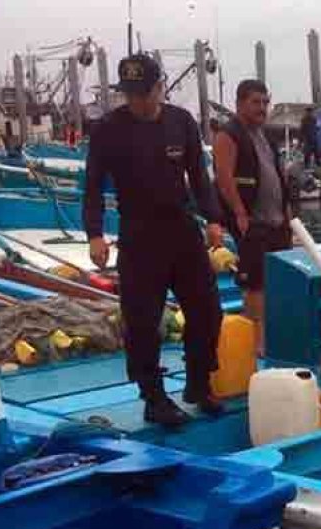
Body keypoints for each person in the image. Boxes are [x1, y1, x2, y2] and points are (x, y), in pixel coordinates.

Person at [83, 53, 224, 427]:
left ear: (160, 87)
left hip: (182, 230)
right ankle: (153, 396)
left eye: (145, 92)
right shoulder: (109, 129)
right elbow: (94, 185)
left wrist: (213, 218)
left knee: (208, 311)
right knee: (144, 322)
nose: (139, 102)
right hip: (138, 236)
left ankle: (199, 381)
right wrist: (95, 234)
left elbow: (199, 175)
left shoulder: (181, 122)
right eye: (131, 94)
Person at [213, 79, 291, 352]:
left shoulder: (266, 135)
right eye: (255, 102)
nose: (262, 108)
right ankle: (257, 341)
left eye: (265, 102)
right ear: (239, 103)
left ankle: (277, 333)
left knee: (279, 278)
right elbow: (223, 176)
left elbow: (277, 175)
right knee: (255, 283)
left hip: (277, 221)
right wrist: (239, 212)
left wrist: (288, 214)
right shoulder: (228, 134)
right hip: (251, 220)